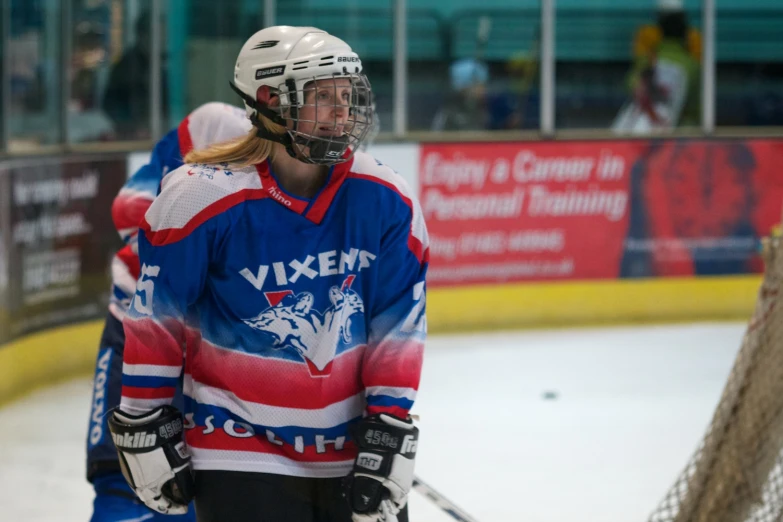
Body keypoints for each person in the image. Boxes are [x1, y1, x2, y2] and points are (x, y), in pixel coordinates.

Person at [107, 25, 428, 522]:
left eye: (348, 95)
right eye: (323, 97)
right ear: (269, 100)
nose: (342, 112)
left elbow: (398, 324)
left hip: (349, 451)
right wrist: (144, 416)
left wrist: (390, 422)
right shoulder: (200, 197)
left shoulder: (385, 198)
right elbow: (158, 323)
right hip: (237, 448)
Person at [86, 101, 251, 522]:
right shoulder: (215, 122)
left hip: (222, 350)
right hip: (140, 328)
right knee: (128, 480)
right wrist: (187, 253)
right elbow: (129, 205)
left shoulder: (313, 168)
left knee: (207, 488)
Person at [613, 0, 701, 133]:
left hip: (636, 136)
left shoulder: (647, 60)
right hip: (673, 140)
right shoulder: (693, 67)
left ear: (660, 30)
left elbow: (631, 84)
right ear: (686, 33)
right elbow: (696, 113)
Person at [101, 10, 168, 140]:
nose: (163, 38)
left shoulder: (161, 63)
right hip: (135, 138)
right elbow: (110, 104)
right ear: (143, 35)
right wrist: (132, 127)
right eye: (159, 33)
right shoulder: (128, 66)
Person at [431, 57, 488, 131]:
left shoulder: (482, 109)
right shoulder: (449, 113)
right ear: (464, 87)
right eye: (479, 85)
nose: (483, 89)